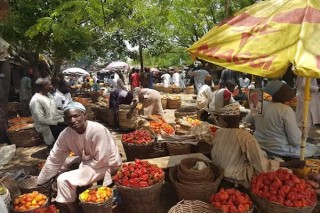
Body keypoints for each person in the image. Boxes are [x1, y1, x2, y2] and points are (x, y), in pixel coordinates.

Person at [37, 102, 122, 213]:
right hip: (89, 161)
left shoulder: (97, 130)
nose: (72, 120)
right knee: (65, 164)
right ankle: (73, 203)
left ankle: (74, 210)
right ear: (65, 120)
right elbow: (55, 157)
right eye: (68, 118)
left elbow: (102, 160)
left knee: (63, 179)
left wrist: (81, 167)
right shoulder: (66, 134)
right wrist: (42, 180)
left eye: (76, 116)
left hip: (107, 165)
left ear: (85, 115)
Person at [211, 103, 305, 188]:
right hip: (236, 177)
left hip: (219, 173)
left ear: (224, 119)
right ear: (240, 118)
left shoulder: (218, 132)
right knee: (282, 171)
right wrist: (289, 164)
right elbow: (262, 165)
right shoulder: (246, 137)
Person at [244, 80, 320, 158]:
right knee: (314, 148)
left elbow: (247, 121)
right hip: (280, 150)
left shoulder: (258, 103)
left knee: (310, 146)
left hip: (259, 145)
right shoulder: (286, 110)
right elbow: (295, 141)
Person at [29, 78, 65, 146]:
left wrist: (64, 114)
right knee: (66, 130)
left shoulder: (49, 96)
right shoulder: (36, 100)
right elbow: (41, 119)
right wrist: (57, 122)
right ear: (44, 86)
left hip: (54, 122)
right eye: (50, 84)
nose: (52, 86)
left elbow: (54, 110)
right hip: (46, 126)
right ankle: (52, 148)